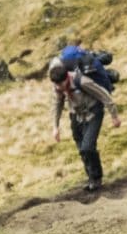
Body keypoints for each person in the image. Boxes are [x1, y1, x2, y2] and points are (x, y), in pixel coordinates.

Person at [50, 50, 122, 194]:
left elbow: (104, 95)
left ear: (66, 78)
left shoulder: (82, 81)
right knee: (82, 150)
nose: (59, 88)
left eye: (61, 85)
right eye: (56, 86)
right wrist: (55, 127)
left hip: (93, 113)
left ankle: (97, 178)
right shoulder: (58, 87)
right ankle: (91, 178)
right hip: (76, 116)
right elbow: (57, 105)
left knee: (87, 147)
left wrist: (114, 116)